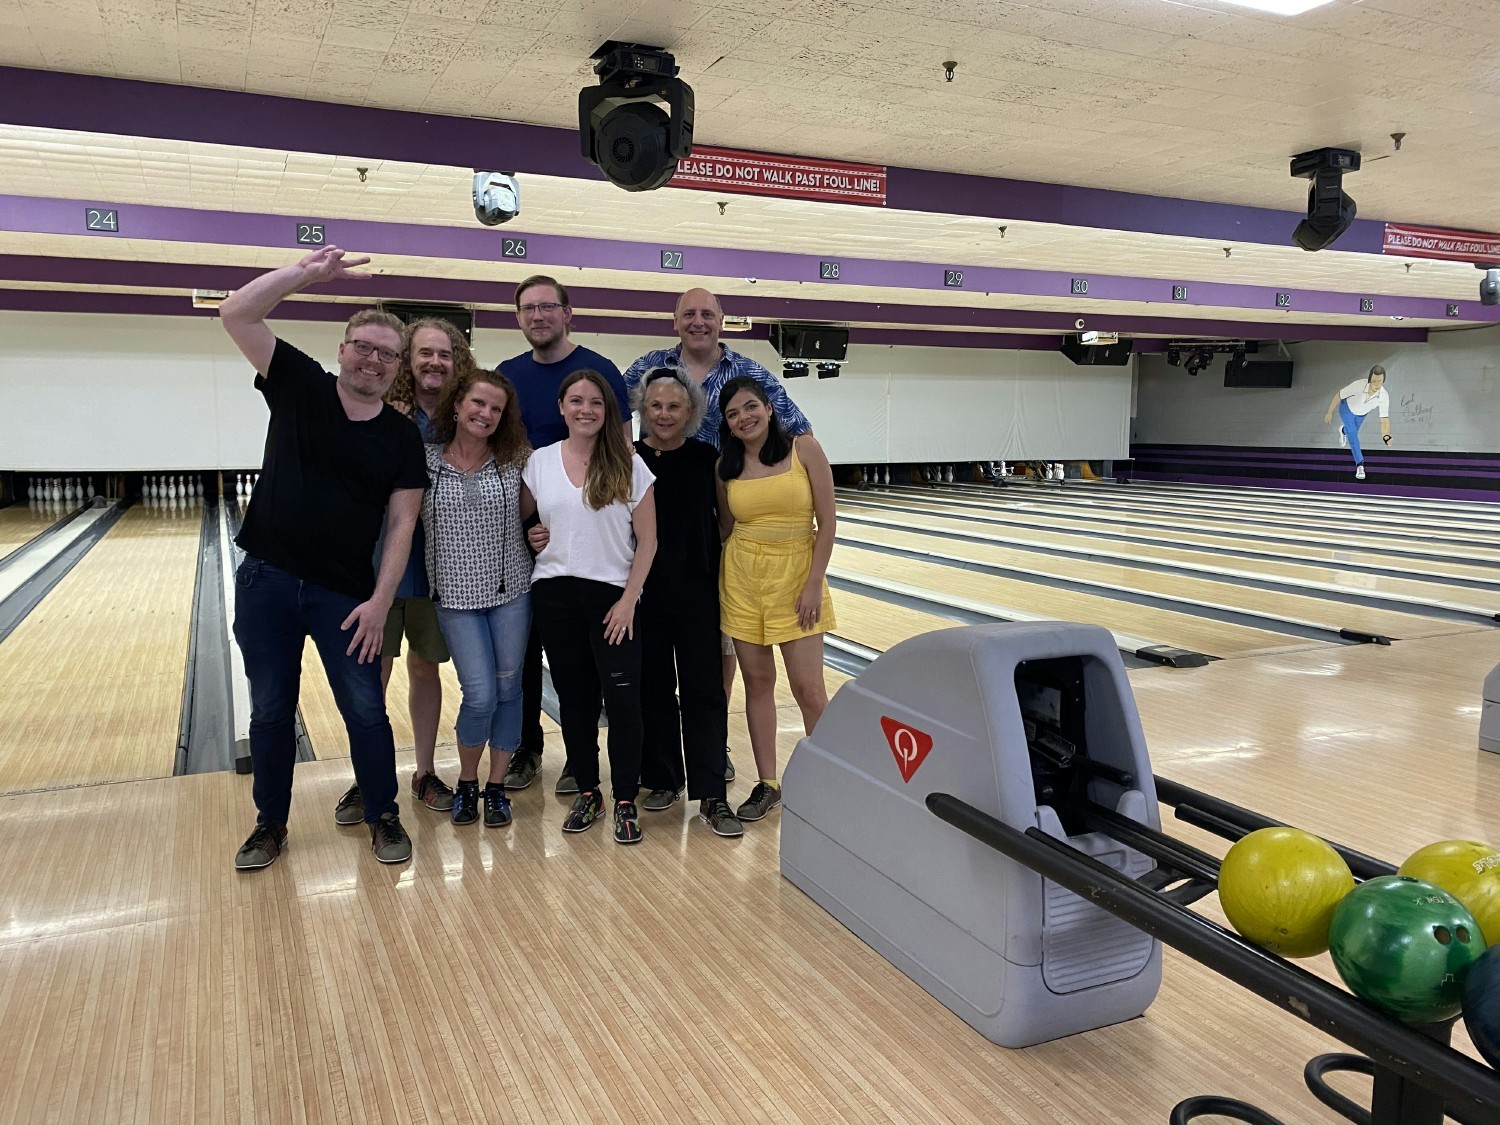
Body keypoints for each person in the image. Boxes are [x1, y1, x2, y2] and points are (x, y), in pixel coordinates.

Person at [219, 246, 425, 870]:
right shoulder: (300, 385)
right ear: (342, 350)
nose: (373, 358)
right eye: (363, 345)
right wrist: (303, 275)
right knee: (271, 710)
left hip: (346, 596)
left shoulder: (400, 435)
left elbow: (401, 522)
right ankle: (270, 824)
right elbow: (236, 314)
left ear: (398, 369)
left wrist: (380, 602)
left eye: (387, 353)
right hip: (267, 581)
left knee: (365, 709)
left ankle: (383, 815)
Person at [623, 287, 813, 781]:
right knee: (662, 670)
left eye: (708, 314)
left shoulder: (752, 375)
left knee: (715, 658)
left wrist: (790, 491)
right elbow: (610, 420)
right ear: (675, 321)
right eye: (689, 314)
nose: (699, 322)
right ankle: (665, 763)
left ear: (723, 320)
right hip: (651, 517)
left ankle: (713, 749)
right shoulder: (648, 365)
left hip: (719, 527)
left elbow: (797, 429)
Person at [333, 317, 472, 827]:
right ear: (408, 361)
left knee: (424, 667)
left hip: (440, 565)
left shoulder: (464, 416)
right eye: (425, 353)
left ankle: (426, 772)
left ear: (457, 363)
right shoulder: (383, 410)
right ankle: (367, 776)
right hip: (376, 563)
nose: (435, 363)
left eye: (446, 355)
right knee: (374, 669)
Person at [499, 274, 631, 797]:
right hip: (524, 530)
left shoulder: (600, 370)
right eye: (528, 308)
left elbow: (622, 452)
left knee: (588, 656)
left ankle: (583, 758)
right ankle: (528, 748)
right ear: (519, 318)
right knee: (525, 649)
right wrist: (531, 527)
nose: (538, 316)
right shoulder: (508, 375)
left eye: (547, 307)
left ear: (567, 313)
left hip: (592, 535)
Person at [521, 370, 656, 844]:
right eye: (576, 401)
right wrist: (533, 533)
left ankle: (623, 798)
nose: (585, 410)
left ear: (607, 411)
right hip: (554, 595)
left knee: (622, 701)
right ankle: (588, 791)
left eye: (595, 403)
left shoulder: (629, 464)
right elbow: (528, 524)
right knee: (575, 701)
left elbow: (649, 541)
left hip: (611, 599)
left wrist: (628, 602)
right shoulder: (538, 462)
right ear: (561, 407)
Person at [715, 376, 836, 824]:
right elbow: (726, 529)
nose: (744, 417)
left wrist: (812, 585)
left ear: (769, 408)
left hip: (797, 577)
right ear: (726, 424)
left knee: (809, 690)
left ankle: (826, 778)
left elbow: (827, 523)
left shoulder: (804, 449)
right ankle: (767, 783)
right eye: (733, 414)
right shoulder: (725, 466)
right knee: (757, 684)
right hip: (743, 579)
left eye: (750, 407)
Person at [632, 368, 741, 837]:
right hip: (645, 595)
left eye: (674, 406)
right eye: (655, 405)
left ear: (691, 412)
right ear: (643, 410)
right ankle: (662, 778)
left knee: (705, 692)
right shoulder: (630, 458)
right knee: (652, 689)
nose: (664, 414)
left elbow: (726, 520)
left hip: (698, 593)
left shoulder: (707, 458)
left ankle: (712, 792)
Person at [422, 367, 533, 828]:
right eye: (478, 404)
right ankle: (467, 780)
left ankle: (496, 787)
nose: (485, 413)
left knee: (509, 690)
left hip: (512, 592)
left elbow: (535, 517)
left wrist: (540, 532)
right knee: (481, 694)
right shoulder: (425, 461)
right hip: (454, 596)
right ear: (456, 405)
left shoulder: (517, 460)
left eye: (495, 408)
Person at [1323, 364, 1393, 481]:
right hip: (1346, 408)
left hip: (1361, 414)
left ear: (1383, 381)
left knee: (1350, 432)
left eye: (1380, 381)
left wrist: (1385, 435)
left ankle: (1343, 430)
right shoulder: (1359, 385)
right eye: (1374, 381)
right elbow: (1339, 395)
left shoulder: (1384, 396)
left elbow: (1384, 419)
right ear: (1370, 379)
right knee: (1353, 435)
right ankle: (1360, 465)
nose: (1377, 384)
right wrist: (1329, 412)